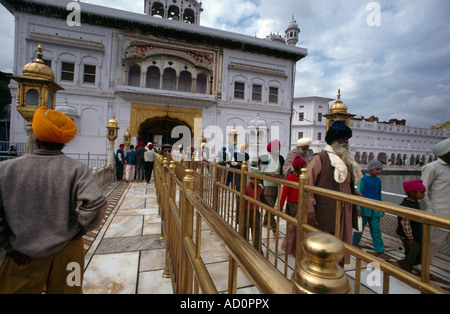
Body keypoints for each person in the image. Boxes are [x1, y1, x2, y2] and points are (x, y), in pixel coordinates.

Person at [0, 107, 107, 294]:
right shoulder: (76, 169)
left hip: (24, 253)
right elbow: (96, 203)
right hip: (68, 252)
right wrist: (80, 228)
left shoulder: (6, 170)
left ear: (35, 135)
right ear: (65, 141)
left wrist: (7, 244)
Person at [306, 121, 362, 264]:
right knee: (324, 245)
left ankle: (338, 269)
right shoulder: (320, 159)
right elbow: (307, 186)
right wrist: (310, 208)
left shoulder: (346, 162)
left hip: (345, 211)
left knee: (342, 242)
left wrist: (354, 194)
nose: (345, 142)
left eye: (346, 139)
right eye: (341, 139)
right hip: (326, 211)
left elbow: (346, 184)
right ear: (333, 140)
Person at [352, 160, 391, 260]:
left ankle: (379, 250)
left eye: (380, 170)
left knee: (376, 230)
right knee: (360, 228)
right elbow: (359, 194)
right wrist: (358, 207)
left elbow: (379, 195)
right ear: (371, 169)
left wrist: (381, 207)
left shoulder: (378, 180)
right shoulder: (363, 179)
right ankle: (354, 243)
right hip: (364, 208)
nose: (378, 171)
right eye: (377, 169)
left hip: (375, 208)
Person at [421, 138, 450, 259]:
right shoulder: (432, 168)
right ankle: (422, 269)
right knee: (432, 244)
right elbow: (422, 191)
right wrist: (430, 211)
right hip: (438, 214)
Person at [394, 180, 426, 273]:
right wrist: (410, 237)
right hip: (410, 236)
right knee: (412, 253)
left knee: (417, 254)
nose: (424, 195)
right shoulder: (406, 206)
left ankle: (404, 265)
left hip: (416, 234)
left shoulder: (415, 202)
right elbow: (405, 223)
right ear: (412, 193)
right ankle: (403, 267)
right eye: (422, 192)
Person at [280, 156, 306, 256]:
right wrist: (281, 206)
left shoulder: (305, 177)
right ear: (299, 167)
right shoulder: (290, 178)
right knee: (294, 226)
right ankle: (292, 246)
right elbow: (284, 193)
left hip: (302, 203)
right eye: (304, 165)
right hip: (293, 205)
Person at [260, 139, 285, 235]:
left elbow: (282, 169)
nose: (278, 150)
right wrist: (270, 174)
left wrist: (281, 175)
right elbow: (261, 170)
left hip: (277, 185)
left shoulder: (281, 158)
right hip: (268, 185)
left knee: (270, 206)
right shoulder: (266, 157)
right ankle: (275, 228)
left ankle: (265, 222)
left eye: (279, 148)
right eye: (276, 148)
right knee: (271, 208)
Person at [243, 170, 264, 251]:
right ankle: (244, 248)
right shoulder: (246, 187)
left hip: (256, 211)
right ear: (251, 179)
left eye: (259, 180)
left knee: (257, 229)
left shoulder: (260, 189)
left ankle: (257, 248)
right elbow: (240, 201)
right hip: (246, 211)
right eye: (256, 179)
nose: (258, 181)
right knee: (245, 229)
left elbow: (263, 199)